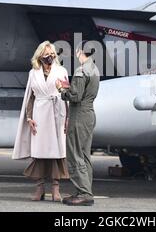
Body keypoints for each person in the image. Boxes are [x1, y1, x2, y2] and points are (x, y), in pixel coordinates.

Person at [12, 41, 69, 202]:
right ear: (40, 55)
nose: (49, 56)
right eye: (46, 53)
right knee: (39, 152)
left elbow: (66, 96)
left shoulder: (61, 70)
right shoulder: (33, 73)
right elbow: (30, 97)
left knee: (57, 152)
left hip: (57, 112)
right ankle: (40, 188)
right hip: (39, 113)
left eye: (51, 53)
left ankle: (56, 190)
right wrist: (29, 118)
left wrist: (67, 118)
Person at [56, 41, 100, 206]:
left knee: (74, 154)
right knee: (84, 155)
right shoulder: (94, 69)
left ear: (80, 51)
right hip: (89, 114)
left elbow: (75, 97)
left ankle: (84, 193)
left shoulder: (81, 71)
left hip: (79, 115)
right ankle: (84, 190)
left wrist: (61, 89)